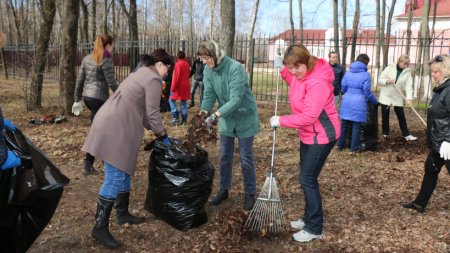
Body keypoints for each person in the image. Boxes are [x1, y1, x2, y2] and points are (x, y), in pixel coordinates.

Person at [82, 48, 173, 249]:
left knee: (122, 170)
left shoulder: (140, 72)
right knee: (114, 176)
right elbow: (153, 112)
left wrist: (156, 130)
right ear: (159, 65)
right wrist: (163, 135)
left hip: (110, 120)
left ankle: (122, 214)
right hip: (117, 126)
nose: (168, 72)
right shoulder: (153, 79)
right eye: (168, 68)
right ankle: (99, 227)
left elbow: (145, 113)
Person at [270, 44, 340, 242]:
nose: (293, 71)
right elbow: (292, 79)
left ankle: (314, 228)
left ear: (307, 61)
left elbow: (309, 116)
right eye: (290, 66)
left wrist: (281, 120)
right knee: (307, 178)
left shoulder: (317, 82)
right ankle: (308, 218)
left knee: (307, 179)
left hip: (322, 136)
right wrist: (282, 69)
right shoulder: (301, 75)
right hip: (309, 135)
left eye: (296, 66)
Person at [198, 40, 259, 211]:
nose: (204, 62)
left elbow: (236, 99)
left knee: (246, 158)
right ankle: (224, 190)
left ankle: (249, 193)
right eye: (202, 58)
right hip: (226, 119)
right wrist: (204, 112)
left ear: (216, 55)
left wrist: (215, 115)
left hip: (244, 116)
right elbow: (209, 94)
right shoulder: (207, 70)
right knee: (225, 157)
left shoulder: (235, 68)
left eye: (206, 58)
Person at [402, 54, 450, 213]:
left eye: (436, 72)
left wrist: (448, 140)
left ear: (445, 70)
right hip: (438, 143)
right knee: (430, 170)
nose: (433, 75)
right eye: (432, 72)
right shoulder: (441, 89)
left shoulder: (449, 90)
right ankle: (419, 204)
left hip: (447, 146)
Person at [73, 34, 118, 176]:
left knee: (100, 130)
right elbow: (112, 83)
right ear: (108, 46)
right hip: (99, 99)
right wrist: (122, 96)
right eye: (112, 46)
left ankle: (100, 162)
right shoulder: (105, 61)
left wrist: (77, 98)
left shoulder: (87, 59)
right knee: (98, 132)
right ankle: (90, 164)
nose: (113, 48)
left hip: (88, 98)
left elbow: (80, 80)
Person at [338, 54, 378, 154]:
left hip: (347, 100)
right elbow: (367, 92)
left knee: (344, 125)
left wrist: (347, 93)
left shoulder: (348, 72)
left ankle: (340, 146)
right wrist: (374, 101)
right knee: (357, 126)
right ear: (366, 63)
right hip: (359, 102)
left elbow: (343, 87)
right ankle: (353, 149)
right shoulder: (366, 75)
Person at [378, 54, 417, 141]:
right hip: (386, 95)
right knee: (385, 115)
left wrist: (409, 98)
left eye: (407, 64)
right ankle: (385, 133)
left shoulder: (407, 73)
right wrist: (387, 81)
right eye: (404, 63)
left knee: (401, 115)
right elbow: (380, 80)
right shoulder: (389, 68)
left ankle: (406, 135)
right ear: (399, 61)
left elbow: (408, 86)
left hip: (397, 96)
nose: (405, 66)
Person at [169, 51, 191, 125]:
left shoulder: (177, 65)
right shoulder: (187, 64)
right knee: (183, 103)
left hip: (178, 86)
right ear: (184, 57)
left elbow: (176, 78)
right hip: (186, 86)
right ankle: (184, 120)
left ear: (177, 57)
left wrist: (172, 88)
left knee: (171, 100)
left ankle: (175, 117)